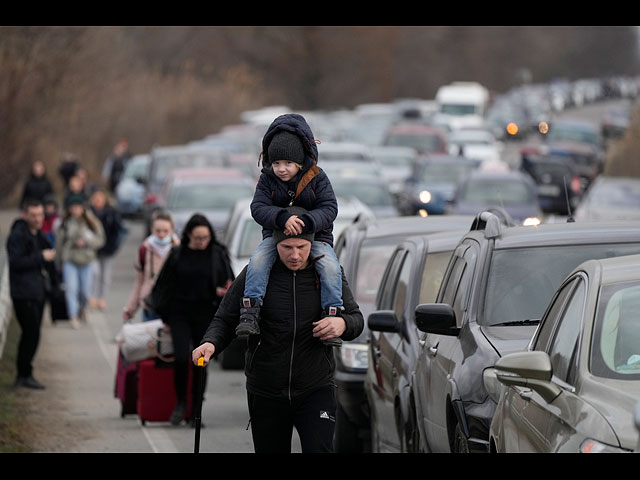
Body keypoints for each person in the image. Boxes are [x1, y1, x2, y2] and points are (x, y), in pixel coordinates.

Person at [191, 214, 364, 453]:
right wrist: (210, 343)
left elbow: (357, 319)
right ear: (275, 245)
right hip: (266, 388)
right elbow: (226, 318)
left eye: (302, 247)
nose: (295, 255)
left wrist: (342, 324)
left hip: (315, 387)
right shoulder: (255, 274)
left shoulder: (328, 275)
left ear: (311, 244)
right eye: (287, 247)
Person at [237, 113, 343, 348]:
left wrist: (306, 222)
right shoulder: (267, 180)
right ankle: (250, 310)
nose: (281, 169)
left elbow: (329, 208)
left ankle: (332, 313)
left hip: (317, 238)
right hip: (276, 238)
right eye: (276, 164)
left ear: (299, 162)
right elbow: (258, 208)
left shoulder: (317, 177)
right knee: (258, 261)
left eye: (287, 164)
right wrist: (281, 217)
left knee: (330, 267)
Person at [146, 214, 234, 426]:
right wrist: (164, 315)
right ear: (188, 236)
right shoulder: (177, 254)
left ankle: (197, 409)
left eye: (205, 238)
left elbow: (230, 281)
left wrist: (224, 290)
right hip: (179, 313)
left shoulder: (217, 253)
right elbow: (163, 286)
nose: (202, 242)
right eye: (197, 238)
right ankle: (181, 403)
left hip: (206, 313)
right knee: (181, 357)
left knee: (201, 362)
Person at [6, 198, 56, 389]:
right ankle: (23, 374)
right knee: (30, 332)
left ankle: (26, 373)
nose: (37, 219)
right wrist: (40, 257)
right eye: (33, 215)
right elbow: (16, 262)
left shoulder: (40, 235)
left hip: (37, 292)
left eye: (40, 215)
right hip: (22, 293)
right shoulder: (18, 235)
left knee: (34, 334)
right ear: (25, 215)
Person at [55, 194, 105, 329]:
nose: (76, 210)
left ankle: (85, 308)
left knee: (85, 290)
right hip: (69, 259)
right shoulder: (65, 223)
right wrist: (58, 262)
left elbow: (100, 240)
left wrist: (87, 242)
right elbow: (59, 244)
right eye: (73, 207)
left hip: (86, 260)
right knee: (71, 289)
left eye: (78, 207)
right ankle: (73, 315)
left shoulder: (92, 222)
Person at [123, 210, 179, 322]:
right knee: (148, 339)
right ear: (152, 230)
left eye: (165, 231)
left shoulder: (179, 250)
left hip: (172, 307)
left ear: (172, 230)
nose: (162, 235)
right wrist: (130, 308)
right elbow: (139, 281)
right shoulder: (145, 249)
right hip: (150, 305)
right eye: (158, 231)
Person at [89, 186, 126, 311]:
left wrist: (114, 246)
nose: (98, 200)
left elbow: (120, 231)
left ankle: (102, 298)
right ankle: (92, 296)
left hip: (108, 249)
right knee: (95, 273)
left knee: (105, 275)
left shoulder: (111, 212)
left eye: (100, 197)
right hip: (93, 249)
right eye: (96, 198)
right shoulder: (89, 213)